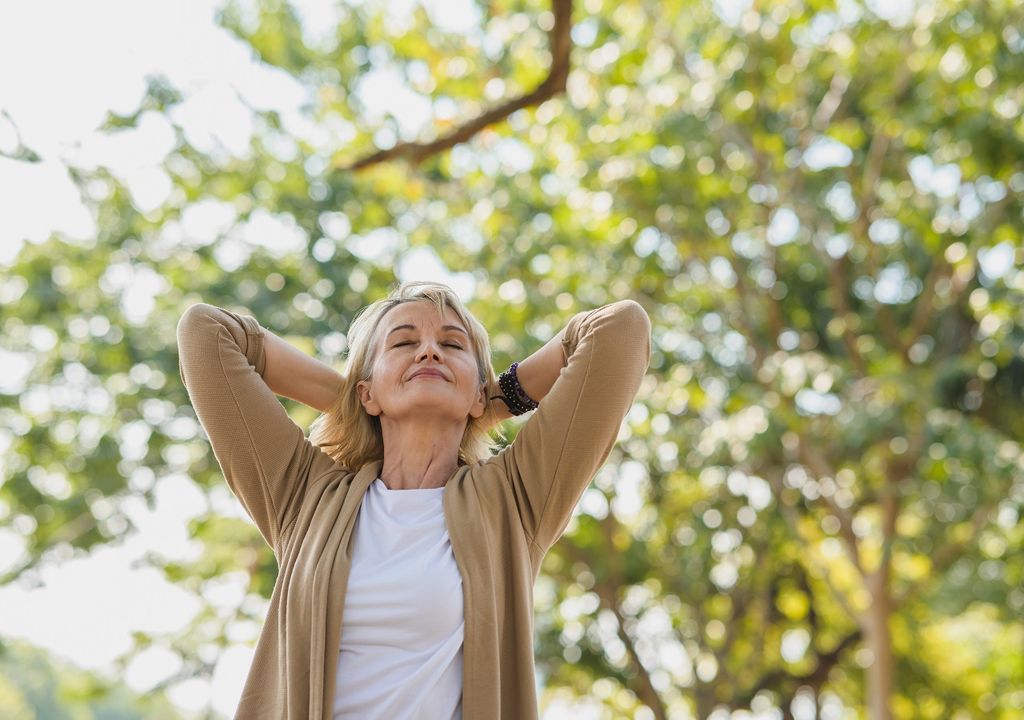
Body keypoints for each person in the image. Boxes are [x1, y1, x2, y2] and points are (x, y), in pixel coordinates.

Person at [175, 280, 652, 719]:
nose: (428, 351)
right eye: (403, 343)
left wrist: (492, 401)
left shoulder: (514, 497)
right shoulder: (305, 495)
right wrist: (356, 400)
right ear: (367, 391)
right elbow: (207, 333)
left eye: (451, 345)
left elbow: (619, 330)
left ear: (477, 393)